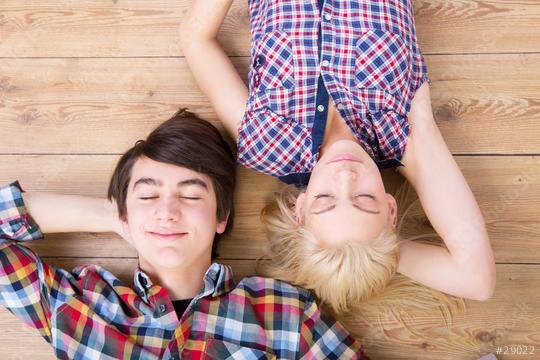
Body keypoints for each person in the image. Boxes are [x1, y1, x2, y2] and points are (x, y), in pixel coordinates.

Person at [179, 0, 496, 314]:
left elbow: (196, 40)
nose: (345, 177)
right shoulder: (408, 134)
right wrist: (376, 247)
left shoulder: (268, 140)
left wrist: (368, 235)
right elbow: (477, 279)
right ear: (390, 207)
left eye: (326, 200)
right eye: (364, 199)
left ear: (299, 208)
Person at [0, 110, 368, 359]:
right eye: (148, 195)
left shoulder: (287, 312)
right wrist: (119, 217)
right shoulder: (79, 308)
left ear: (221, 217)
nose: (167, 211)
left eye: (191, 195)